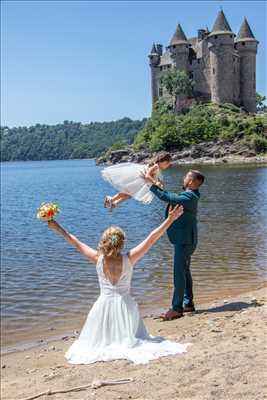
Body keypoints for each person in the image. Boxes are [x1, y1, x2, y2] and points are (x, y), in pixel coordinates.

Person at [47, 204, 190, 365]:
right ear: (121, 243)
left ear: (103, 242)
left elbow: (74, 241)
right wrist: (170, 219)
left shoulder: (97, 258)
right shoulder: (129, 259)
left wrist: (56, 226)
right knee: (132, 338)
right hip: (126, 306)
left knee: (96, 341)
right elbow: (152, 238)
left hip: (103, 305)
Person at [144, 170, 205, 321]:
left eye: (186, 176)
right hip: (186, 239)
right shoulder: (190, 195)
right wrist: (158, 186)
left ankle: (177, 308)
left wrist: (152, 184)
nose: (183, 178)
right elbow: (172, 197)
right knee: (184, 271)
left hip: (184, 241)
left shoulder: (190, 196)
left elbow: (168, 197)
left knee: (179, 273)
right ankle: (188, 304)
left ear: (190, 182)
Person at [102, 151, 171, 209]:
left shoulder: (157, 168)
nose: (167, 165)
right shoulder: (155, 166)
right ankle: (111, 200)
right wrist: (155, 182)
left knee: (128, 194)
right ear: (162, 161)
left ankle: (114, 203)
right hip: (138, 179)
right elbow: (147, 176)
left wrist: (160, 182)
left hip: (140, 181)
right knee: (127, 192)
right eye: (167, 163)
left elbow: (155, 176)